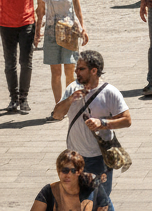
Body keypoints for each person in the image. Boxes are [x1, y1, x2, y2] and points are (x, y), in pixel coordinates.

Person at [50, 49, 131, 208]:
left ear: (94, 71)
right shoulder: (72, 88)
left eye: (81, 69)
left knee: (100, 201)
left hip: (98, 158)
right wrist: (70, 99)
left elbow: (127, 120)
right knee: (85, 200)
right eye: (76, 69)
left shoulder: (109, 92)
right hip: (75, 158)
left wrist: (103, 123)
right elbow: (57, 115)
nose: (76, 72)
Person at [35, 0, 88, 105]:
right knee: (56, 72)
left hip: (69, 32)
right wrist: (37, 32)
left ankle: (70, 104)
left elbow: (78, 10)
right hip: (51, 33)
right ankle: (59, 105)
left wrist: (83, 29)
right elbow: (40, 12)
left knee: (70, 70)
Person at [0, 0, 39, 113]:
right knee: (10, 63)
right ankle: (13, 99)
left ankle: (24, 99)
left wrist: (40, 22)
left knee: (26, 62)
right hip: (5, 23)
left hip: (27, 23)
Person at [30, 149, 109, 211]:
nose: (68, 175)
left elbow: (104, 206)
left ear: (79, 172)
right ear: (58, 170)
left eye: (73, 171)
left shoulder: (93, 190)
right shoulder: (48, 191)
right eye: (64, 170)